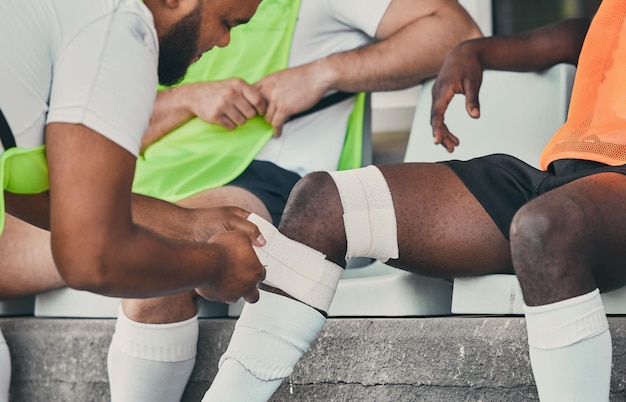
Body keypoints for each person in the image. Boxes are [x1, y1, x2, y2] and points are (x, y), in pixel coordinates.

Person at [202, 1, 624, 400]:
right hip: (563, 179)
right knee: (323, 202)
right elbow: (595, 36)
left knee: (543, 230)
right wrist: (477, 50)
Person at [101, 0, 482, 400]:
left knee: (156, 267)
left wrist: (324, 73)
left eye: (234, 24)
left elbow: (457, 33)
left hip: (264, 182)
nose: (226, 40)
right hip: (132, 190)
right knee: (39, 243)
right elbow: (100, 128)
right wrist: (186, 99)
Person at [0, 0, 268, 400]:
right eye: (226, 22)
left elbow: (30, 192)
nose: (225, 42)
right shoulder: (121, 24)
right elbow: (93, 257)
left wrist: (187, 224)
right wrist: (217, 266)